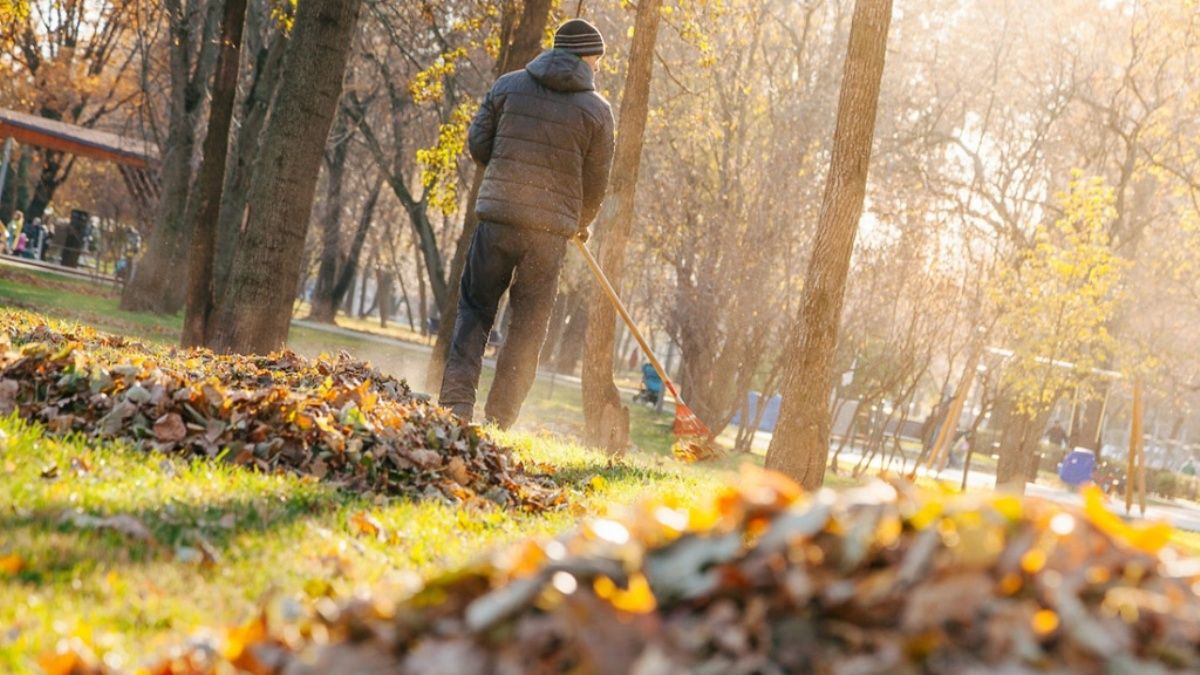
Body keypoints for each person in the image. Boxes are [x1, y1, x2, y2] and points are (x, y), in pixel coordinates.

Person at [439, 19, 615, 428]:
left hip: (497, 221)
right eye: (597, 58)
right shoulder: (597, 111)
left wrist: (506, 172)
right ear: (587, 57)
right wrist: (579, 221)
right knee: (528, 327)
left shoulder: (507, 86)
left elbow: (479, 143)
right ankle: (500, 420)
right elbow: (596, 182)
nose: (599, 67)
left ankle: (456, 407)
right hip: (548, 235)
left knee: (475, 311)